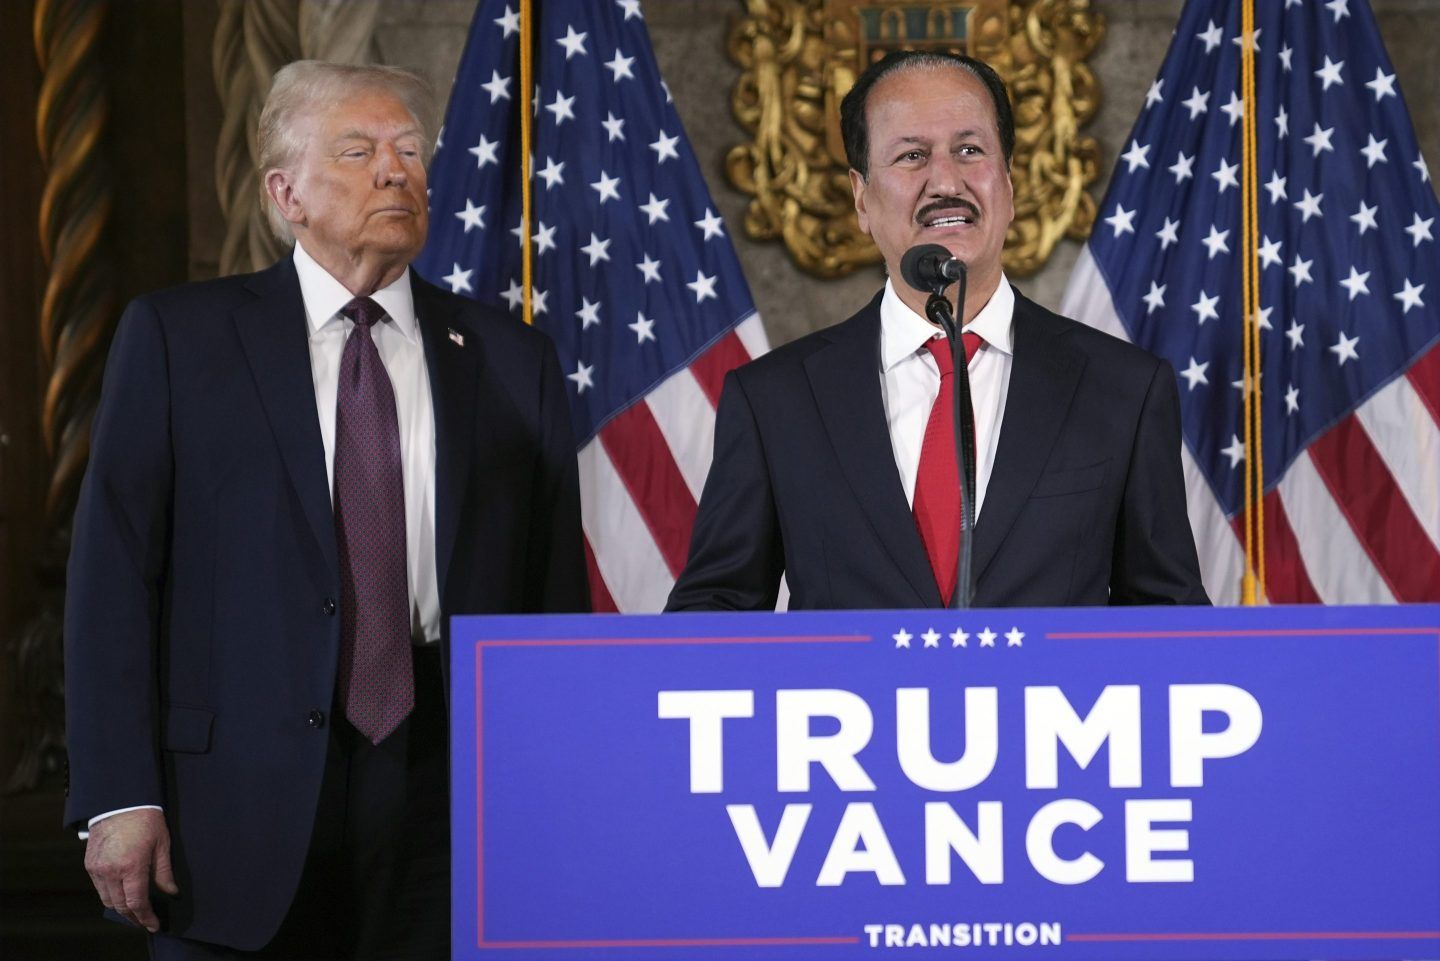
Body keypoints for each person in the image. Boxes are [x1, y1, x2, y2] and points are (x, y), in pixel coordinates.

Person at [63, 60, 588, 959]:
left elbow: (551, 597)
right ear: (285, 193)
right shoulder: (179, 339)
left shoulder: (511, 358)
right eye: (358, 150)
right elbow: (113, 577)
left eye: (411, 151)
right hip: (227, 808)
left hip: (449, 797)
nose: (397, 170)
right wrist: (118, 795)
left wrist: (555, 793)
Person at [667, 51, 1208, 611]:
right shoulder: (774, 400)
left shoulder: (1123, 389)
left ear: (1009, 181)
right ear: (861, 198)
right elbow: (714, 613)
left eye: (970, 150)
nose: (945, 180)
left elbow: (1169, 618)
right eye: (912, 155)